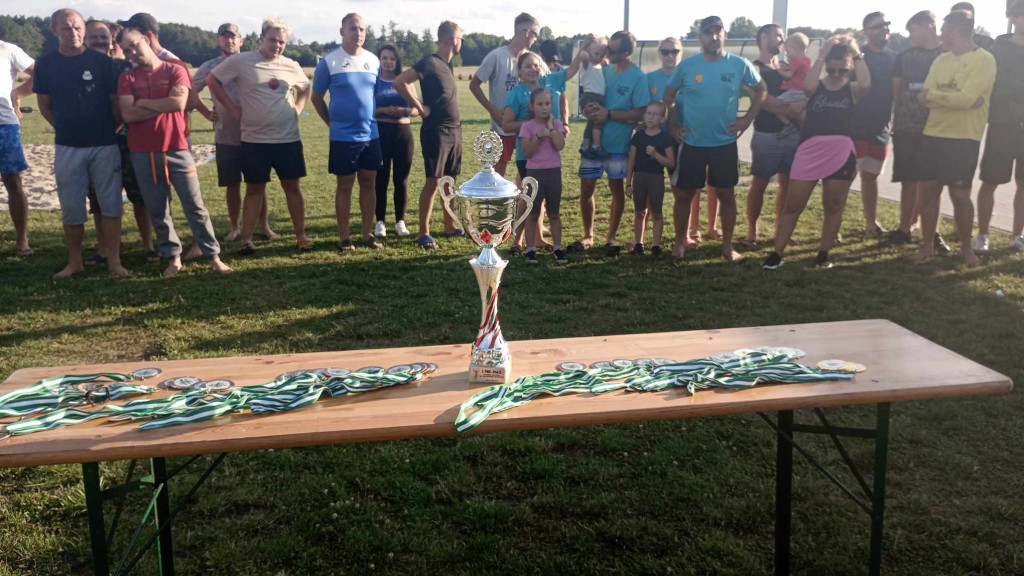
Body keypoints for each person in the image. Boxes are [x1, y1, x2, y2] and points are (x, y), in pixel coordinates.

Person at [118, 30, 231, 277]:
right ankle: (173, 257)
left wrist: (143, 103)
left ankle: (213, 255)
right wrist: (160, 105)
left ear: (146, 40)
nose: (132, 52)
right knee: (158, 209)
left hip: (177, 148)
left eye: (134, 45)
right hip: (143, 152)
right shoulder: (127, 78)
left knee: (195, 206)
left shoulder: (175, 70)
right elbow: (127, 114)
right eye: (126, 50)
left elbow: (178, 104)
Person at [764, 35, 872, 270]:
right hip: (810, 150)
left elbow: (865, 84)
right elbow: (807, 86)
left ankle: (823, 253)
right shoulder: (817, 87)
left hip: (841, 151)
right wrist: (822, 55)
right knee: (793, 205)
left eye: (841, 71)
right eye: (830, 70)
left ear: (849, 67)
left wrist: (855, 51)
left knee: (833, 205)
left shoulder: (852, 89)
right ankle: (777, 253)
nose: (835, 75)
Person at [35, 9, 128, 278]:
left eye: (77, 28)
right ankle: (74, 261)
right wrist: (66, 128)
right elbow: (45, 106)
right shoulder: (46, 64)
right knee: (72, 207)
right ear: (54, 31)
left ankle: (114, 261)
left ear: (84, 30)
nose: (73, 33)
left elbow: (115, 103)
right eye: (66, 28)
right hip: (67, 147)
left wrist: (107, 129)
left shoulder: (102, 63)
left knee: (111, 205)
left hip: (104, 145)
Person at [664, 16, 766, 262]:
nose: (713, 36)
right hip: (692, 143)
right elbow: (669, 96)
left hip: (724, 143)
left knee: (726, 194)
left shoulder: (739, 64)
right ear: (701, 37)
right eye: (708, 32)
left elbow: (761, 90)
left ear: (725, 35)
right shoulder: (687, 66)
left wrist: (747, 119)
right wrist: (674, 125)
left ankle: (727, 246)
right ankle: (679, 243)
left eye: (718, 32)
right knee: (685, 195)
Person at [208, 16, 313, 255]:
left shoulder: (291, 65)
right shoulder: (241, 61)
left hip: (288, 139)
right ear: (261, 38)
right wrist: (231, 108)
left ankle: (302, 236)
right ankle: (247, 240)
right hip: (254, 140)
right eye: (273, 40)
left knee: (293, 188)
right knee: (254, 189)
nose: (277, 45)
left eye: (282, 42)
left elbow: (305, 87)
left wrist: (297, 108)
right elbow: (212, 80)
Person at [914, 10, 996, 267]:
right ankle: (927, 246)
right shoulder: (940, 60)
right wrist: (951, 99)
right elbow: (923, 97)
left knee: (960, 196)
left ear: (953, 33)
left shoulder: (984, 60)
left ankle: (966, 249)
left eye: (943, 31)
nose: (940, 36)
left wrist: (936, 97)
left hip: (963, 138)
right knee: (928, 192)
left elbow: (968, 100)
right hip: (933, 134)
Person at [192, 23, 274, 244]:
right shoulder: (209, 67)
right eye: (224, 37)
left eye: (233, 37)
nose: (229, 41)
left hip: (255, 134)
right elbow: (190, 90)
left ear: (242, 40)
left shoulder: (253, 62)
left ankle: (264, 226)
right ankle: (234, 227)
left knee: (258, 183)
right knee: (232, 184)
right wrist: (204, 112)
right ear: (218, 40)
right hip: (226, 135)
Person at [83, 19, 155, 266]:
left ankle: (149, 245)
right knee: (98, 199)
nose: (99, 41)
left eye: (104, 37)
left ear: (112, 40)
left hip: (127, 141)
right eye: (94, 37)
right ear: (85, 39)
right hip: (95, 142)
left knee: (140, 197)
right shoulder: (77, 67)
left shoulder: (124, 67)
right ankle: (104, 249)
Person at [572, 30, 650, 256]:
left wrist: (609, 115)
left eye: (612, 50)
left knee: (616, 189)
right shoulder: (603, 70)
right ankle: (588, 235)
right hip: (593, 144)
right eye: (607, 48)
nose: (607, 52)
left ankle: (610, 237)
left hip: (618, 145)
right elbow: (589, 93)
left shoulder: (638, 77)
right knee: (586, 188)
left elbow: (639, 113)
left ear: (625, 53)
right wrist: (589, 109)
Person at [312, 13, 383, 252]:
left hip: (371, 136)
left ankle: (367, 233)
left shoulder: (373, 61)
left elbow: (375, 95)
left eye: (362, 29)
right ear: (342, 32)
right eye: (353, 29)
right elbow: (316, 97)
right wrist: (331, 124)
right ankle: (344, 237)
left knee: (369, 183)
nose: (359, 33)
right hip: (343, 138)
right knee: (345, 185)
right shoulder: (329, 62)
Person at [393, 20, 464, 250]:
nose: (461, 41)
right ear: (453, 39)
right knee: (433, 181)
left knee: (449, 181)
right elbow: (400, 81)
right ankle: (423, 232)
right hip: (437, 130)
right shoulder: (430, 62)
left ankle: (449, 226)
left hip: (454, 130)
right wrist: (420, 107)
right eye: (461, 37)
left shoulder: (447, 65)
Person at [501, 50, 580, 253]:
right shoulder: (516, 93)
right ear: (519, 71)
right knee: (528, 201)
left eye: (536, 65)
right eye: (527, 66)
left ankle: (538, 239)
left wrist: (584, 49)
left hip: (551, 156)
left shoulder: (550, 82)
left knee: (544, 201)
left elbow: (572, 70)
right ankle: (517, 241)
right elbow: (506, 124)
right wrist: (532, 125)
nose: (533, 69)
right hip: (527, 155)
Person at [646, 36, 717, 250]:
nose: (670, 55)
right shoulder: (649, 79)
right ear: (659, 53)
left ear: (681, 53)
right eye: (665, 51)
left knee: (681, 190)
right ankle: (645, 237)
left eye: (674, 51)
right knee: (649, 188)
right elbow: (642, 108)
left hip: (681, 140)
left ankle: (684, 235)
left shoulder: (690, 77)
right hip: (654, 140)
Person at [743, 24, 803, 249]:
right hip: (766, 135)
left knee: (787, 185)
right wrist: (789, 110)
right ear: (763, 37)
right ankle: (752, 231)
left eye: (783, 36)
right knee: (759, 183)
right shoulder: (753, 68)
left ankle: (781, 230)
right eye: (778, 35)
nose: (782, 39)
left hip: (792, 136)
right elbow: (762, 100)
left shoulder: (788, 67)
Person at [888, 11, 945, 248]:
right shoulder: (905, 55)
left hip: (938, 127)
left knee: (932, 183)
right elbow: (896, 90)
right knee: (909, 180)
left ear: (929, 27)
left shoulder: (948, 55)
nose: (910, 36)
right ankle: (904, 229)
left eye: (913, 30)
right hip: (907, 126)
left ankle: (932, 233)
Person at [975, 0, 1024, 252]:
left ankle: (1017, 236)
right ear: (1014, 18)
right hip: (1002, 125)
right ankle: (982, 235)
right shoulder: (998, 50)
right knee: (990, 181)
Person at [470, 13, 540, 177]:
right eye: (535, 34)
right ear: (527, 32)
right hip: (502, 127)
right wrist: (492, 109)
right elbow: (474, 85)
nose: (536, 40)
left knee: (528, 170)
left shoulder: (533, 60)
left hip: (527, 124)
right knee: (498, 174)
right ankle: (499, 202)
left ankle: (525, 201)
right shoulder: (496, 56)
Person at [852, 12, 897, 236]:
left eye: (886, 24)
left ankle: (871, 223)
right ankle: (834, 225)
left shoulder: (894, 57)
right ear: (866, 31)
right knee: (844, 178)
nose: (884, 29)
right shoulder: (857, 56)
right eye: (878, 26)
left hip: (881, 129)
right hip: (854, 128)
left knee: (871, 177)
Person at [374, 43, 418, 238]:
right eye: (385, 58)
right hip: (381, 133)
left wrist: (405, 111)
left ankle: (400, 221)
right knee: (380, 180)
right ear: (379, 60)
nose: (389, 62)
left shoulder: (406, 81)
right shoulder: (374, 81)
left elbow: (418, 109)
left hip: (403, 134)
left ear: (397, 61)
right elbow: (367, 109)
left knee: (401, 180)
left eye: (392, 58)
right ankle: (380, 222)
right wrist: (383, 111)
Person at [519, 88, 566, 264]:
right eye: (539, 104)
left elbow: (559, 145)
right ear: (532, 106)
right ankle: (530, 250)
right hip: (534, 173)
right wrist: (538, 135)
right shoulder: (527, 126)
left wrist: (552, 129)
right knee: (532, 214)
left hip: (553, 171)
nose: (544, 108)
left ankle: (558, 248)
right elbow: (527, 152)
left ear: (551, 105)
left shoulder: (557, 124)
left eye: (547, 103)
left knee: (554, 213)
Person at [625, 101, 675, 257]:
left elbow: (671, 162)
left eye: (655, 114)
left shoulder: (664, 137)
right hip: (639, 178)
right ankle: (639, 244)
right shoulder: (638, 137)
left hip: (656, 178)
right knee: (639, 212)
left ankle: (655, 246)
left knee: (657, 213)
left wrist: (656, 155)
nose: (650, 117)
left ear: (662, 119)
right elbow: (631, 161)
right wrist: (628, 183)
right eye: (648, 113)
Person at [0, 39, 34, 258]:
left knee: (13, 181)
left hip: (4, 123)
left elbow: (41, 73)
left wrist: (18, 94)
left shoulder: (8, 49)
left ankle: (22, 239)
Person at [577, 35, 608, 158]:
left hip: (597, 97)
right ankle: (596, 145)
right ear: (589, 52)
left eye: (602, 55)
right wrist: (585, 48)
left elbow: (604, 63)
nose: (599, 57)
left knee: (591, 123)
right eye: (596, 54)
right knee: (598, 122)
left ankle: (586, 146)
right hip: (590, 97)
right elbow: (583, 55)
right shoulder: (587, 64)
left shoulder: (599, 66)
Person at [777, 32, 811, 126]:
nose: (787, 54)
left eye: (788, 51)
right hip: (803, 91)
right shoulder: (807, 60)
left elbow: (789, 75)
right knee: (798, 113)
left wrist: (779, 71)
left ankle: (787, 124)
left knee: (776, 105)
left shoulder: (797, 60)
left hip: (795, 90)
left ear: (794, 48)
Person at [539, 39, 569, 121]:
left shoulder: (558, 69)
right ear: (540, 55)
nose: (551, 63)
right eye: (549, 60)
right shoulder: (534, 70)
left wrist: (565, 122)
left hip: (554, 120)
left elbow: (562, 97)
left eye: (554, 60)